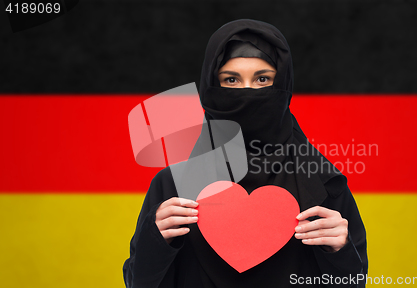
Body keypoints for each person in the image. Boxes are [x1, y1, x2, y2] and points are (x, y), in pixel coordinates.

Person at [123, 19, 368, 288]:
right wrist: (155, 242)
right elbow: (140, 283)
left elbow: (353, 283)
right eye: (231, 80)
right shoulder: (173, 185)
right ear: (210, 86)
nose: (248, 92)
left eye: (263, 79)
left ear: (283, 84)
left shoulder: (323, 185)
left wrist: (340, 251)